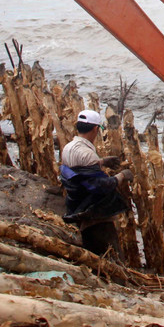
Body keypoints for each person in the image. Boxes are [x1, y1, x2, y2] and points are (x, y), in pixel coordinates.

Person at [60, 109, 133, 258]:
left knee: (91, 248)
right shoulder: (87, 154)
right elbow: (99, 186)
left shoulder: (68, 148)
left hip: (75, 205)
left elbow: (79, 173)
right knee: (109, 253)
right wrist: (121, 176)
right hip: (91, 211)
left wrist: (101, 162)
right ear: (95, 129)